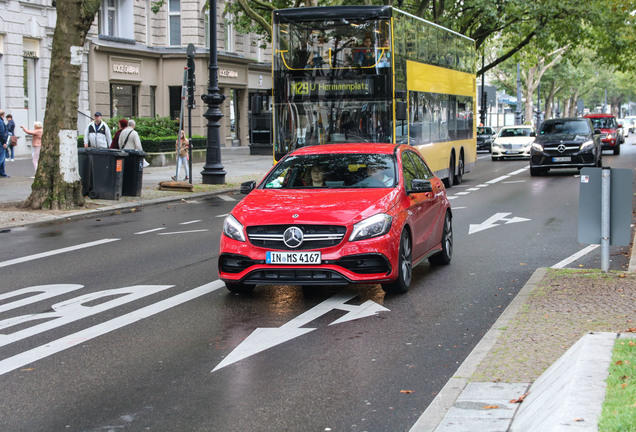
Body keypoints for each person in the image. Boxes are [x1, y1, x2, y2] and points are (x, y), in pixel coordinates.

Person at [0, 109, 8, 177]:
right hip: (1, 142)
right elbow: (2, 133)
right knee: (2, 157)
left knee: (2, 158)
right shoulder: (1, 122)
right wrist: (3, 143)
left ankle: (2, 173)